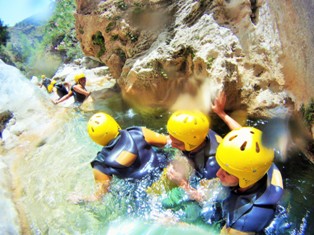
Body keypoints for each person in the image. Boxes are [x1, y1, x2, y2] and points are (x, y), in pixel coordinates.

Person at [70, 112, 171, 203]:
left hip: (147, 193)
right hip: (167, 173)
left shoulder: (100, 163)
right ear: (115, 124)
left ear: (95, 140)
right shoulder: (138, 132)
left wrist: (81, 199)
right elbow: (167, 141)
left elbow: (100, 195)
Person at [214, 127, 284, 234]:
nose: (218, 174)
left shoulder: (243, 223)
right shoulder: (263, 164)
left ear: (246, 179)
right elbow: (250, 140)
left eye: (227, 172)